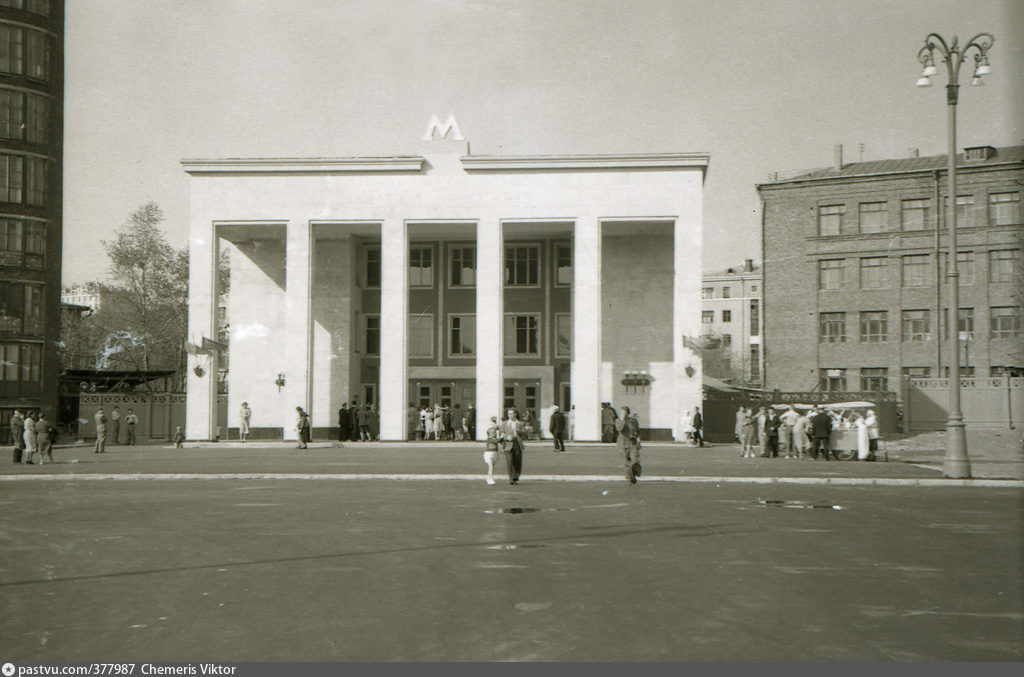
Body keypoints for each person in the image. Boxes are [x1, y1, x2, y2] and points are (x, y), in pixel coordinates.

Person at [615, 406, 642, 484]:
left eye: (624, 412)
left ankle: (635, 473)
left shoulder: (633, 421)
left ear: (628, 413)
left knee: (635, 460)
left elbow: (638, 431)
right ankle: (630, 477)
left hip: (632, 442)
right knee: (626, 461)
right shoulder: (618, 421)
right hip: (622, 443)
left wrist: (639, 438)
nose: (622, 414)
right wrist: (622, 420)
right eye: (621, 412)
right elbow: (619, 429)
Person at [500, 409, 524, 485]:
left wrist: (519, 432)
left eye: (511, 414)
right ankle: (511, 478)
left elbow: (525, 434)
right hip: (508, 444)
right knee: (509, 461)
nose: (510, 415)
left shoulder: (520, 423)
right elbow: (502, 434)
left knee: (517, 461)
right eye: (509, 414)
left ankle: (516, 476)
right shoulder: (505, 423)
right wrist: (507, 437)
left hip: (517, 443)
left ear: (515, 414)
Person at [483, 416, 501, 485]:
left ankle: (489, 477)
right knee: (490, 466)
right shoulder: (489, 439)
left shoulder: (494, 427)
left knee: (491, 467)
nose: (493, 432)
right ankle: (490, 479)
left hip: (495, 453)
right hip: (489, 454)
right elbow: (496, 441)